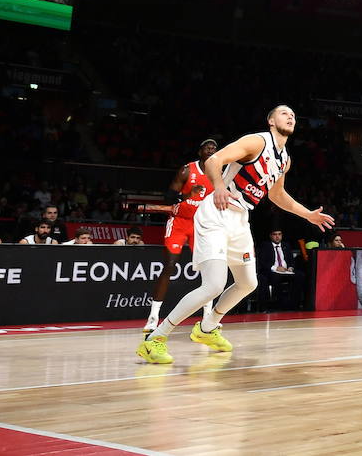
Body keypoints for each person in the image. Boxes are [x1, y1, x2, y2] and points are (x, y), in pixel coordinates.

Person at [137, 105, 333, 364]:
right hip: (216, 212)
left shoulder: (284, 159)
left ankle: (207, 328)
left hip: (240, 218)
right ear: (271, 120)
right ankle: (155, 338)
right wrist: (218, 187)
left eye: (293, 115)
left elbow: (277, 195)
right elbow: (213, 161)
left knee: (248, 283)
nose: (290, 117)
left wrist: (307, 214)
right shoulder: (256, 142)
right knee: (214, 285)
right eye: (284, 113)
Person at [142, 139, 217, 336]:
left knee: (209, 272)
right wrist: (187, 196)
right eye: (207, 147)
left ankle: (208, 319)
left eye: (214, 148)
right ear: (200, 152)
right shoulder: (186, 170)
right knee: (169, 266)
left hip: (201, 225)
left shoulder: (218, 173)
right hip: (179, 222)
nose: (211, 150)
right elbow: (168, 197)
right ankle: (153, 318)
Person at [259, 229, 301, 311]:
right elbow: (262, 262)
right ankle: (278, 304)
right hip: (272, 271)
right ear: (270, 236)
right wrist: (276, 268)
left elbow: (291, 260)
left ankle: (294, 304)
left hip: (286, 271)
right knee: (275, 277)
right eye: (275, 234)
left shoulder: (286, 245)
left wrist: (291, 267)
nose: (277, 236)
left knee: (300, 276)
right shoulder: (265, 246)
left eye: (279, 234)